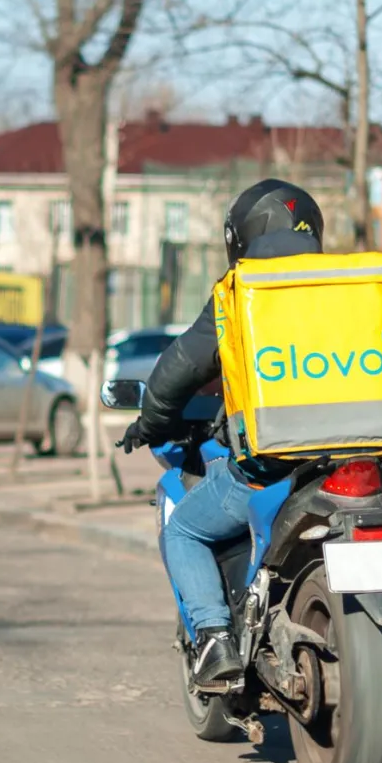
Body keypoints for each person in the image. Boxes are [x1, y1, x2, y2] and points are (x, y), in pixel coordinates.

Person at [116, 178, 326, 686]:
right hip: (351, 459)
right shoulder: (345, 285)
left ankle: (214, 638)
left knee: (184, 530)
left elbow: (180, 368)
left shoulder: (243, 292)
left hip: (273, 466)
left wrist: (150, 421)